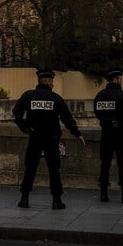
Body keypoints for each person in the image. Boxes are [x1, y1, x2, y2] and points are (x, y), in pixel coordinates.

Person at [12, 69, 85, 209]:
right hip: (51, 138)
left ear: (39, 81)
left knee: (30, 168)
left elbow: (16, 112)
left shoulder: (29, 96)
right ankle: (56, 199)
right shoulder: (55, 98)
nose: (52, 85)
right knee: (54, 169)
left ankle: (24, 198)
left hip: (34, 136)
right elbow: (67, 118)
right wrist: (77, 134)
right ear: (49, 81)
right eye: (52, 82)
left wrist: (25, 127)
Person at [93, 69, 123, 203]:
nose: (121, 81)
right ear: (117, 79)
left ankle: (103, 193)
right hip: (120, 133)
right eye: (120, 78)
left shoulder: (99, 96)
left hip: (106, 132)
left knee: (105, 162)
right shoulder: (122, 95)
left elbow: (97, 113)